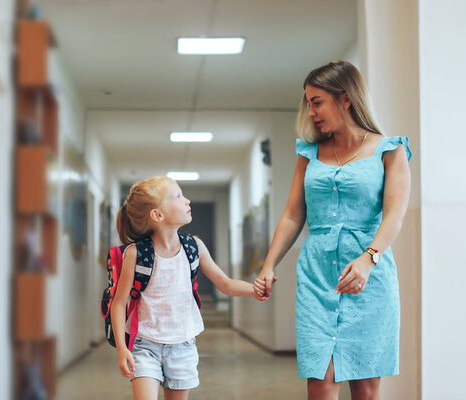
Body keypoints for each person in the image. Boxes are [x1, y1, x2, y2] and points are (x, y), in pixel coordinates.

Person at [254, 61, 412, 400]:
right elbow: (293, 216)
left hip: (368, 278)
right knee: (320, 382)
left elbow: (394, 217)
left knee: (366, 388)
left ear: (346, 99)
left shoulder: (390, 150)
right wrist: (269, 265)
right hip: (317, 275)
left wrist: (369, 259)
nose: (311, 112)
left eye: (317, 102)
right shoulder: (308, 154)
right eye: (308, 103)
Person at [112, 176, 265, 400]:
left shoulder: (194, 247)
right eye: (178, 196)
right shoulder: (136, 254)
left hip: (182, 346)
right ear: (157, 215)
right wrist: (121, 349)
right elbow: (119, 303)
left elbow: (225, 284)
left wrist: (254, 289)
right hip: (145, 346)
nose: (187, 200)